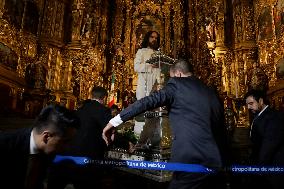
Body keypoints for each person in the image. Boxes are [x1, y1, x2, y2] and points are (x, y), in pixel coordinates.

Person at [103, 59, 227, 189]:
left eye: (171, 77)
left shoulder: (177, 84)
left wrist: (114, 121)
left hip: (192, 159)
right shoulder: (210, 91)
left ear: (178, 74)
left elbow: (147, 101)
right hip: (217, 160)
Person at [0, 104, 79, 189]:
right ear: (46, 137)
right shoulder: (4, 145)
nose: (68, 147)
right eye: (65, 142)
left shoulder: (51, 152)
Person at [47, 86, 112, 189]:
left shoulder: (79, 110)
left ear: (92, 95)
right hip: (88, 158)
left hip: (67, 156)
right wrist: (125, 143)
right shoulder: (103, 111)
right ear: (104, 98)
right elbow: (109, 131)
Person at [245, 89, 284, 189]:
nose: (248, 107)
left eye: (251, 103)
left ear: (261, 101)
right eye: (247, 104)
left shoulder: (274, 116)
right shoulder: (259, 115)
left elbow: (269, 145)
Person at [133, 30, 161, 135]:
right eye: (152, 37)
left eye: (156, 38)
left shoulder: (159, 54)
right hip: (143, 86)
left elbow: (160, 72)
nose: (154, 39)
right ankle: (140, 136)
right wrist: (150, 65)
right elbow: (136, 67)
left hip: (155, 86)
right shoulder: (141, 51)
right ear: (147, 38)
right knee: (142, 110)